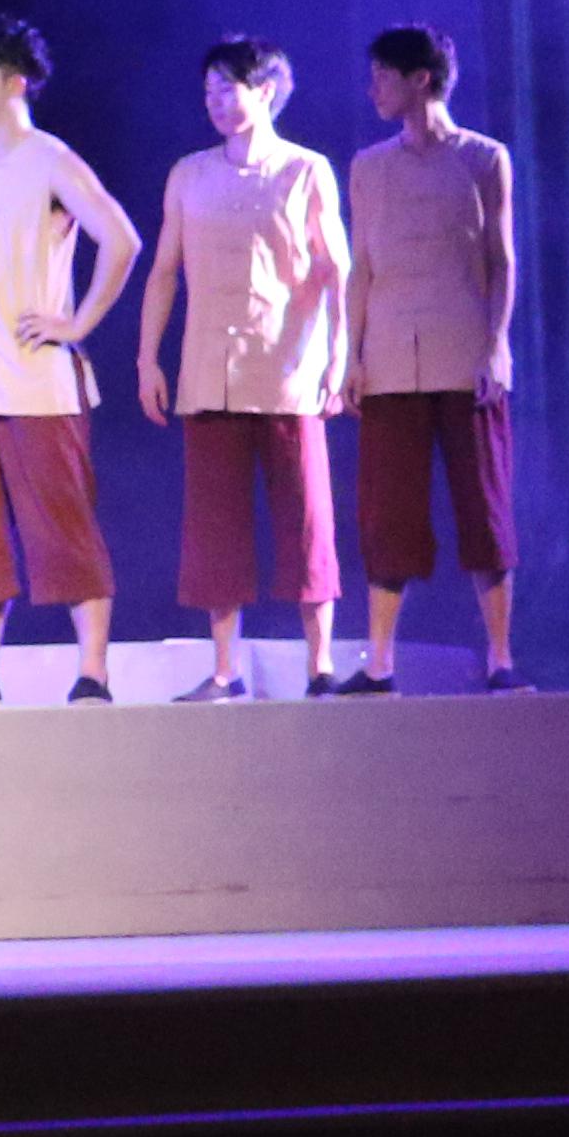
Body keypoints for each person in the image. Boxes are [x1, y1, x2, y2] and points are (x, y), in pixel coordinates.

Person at [0, 12, 139, 706]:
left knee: (61, 522)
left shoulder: (50, 159)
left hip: (36, 378)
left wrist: (78, 322)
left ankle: (92, 670)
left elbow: (121, 239)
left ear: (16, 81)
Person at [132, 35, 351, 699]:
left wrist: (339, 357)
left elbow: (336, 271)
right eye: (209, 91)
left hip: (287, 371)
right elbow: (164, 270)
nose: (216, 102)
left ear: (266, 90)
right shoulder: (189, 174)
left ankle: (320, 666)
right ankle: (225, 670)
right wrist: (147, 358)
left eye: (228, 89)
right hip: (209, 371)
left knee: (306, 519)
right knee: (215, 527)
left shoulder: (305, 169)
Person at [340, 20, 527, 691]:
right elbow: (360, 269)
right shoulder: (368, 167)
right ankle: (379, 664)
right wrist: (350, 356)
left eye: (383, 77)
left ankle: (501, 659)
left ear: (421, 79)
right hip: (391, 358)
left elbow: (501, 260)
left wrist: (497, 344)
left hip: (465, 354)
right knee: (388, 513)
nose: (373, 89)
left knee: (485, 508)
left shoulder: (484, 158)